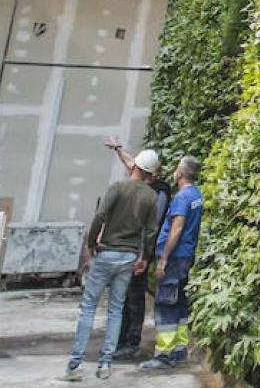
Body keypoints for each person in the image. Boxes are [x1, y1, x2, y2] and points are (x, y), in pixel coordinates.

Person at [62, 146, 161, 381]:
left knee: (89, 307)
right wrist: (144, 258)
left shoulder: (118, 187)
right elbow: (151, 231)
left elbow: (100, 215)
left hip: (107, 253)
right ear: (151, 173)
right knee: (116, 309)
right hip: (128, 258)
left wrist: (91, 242)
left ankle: (75, 364)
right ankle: (105, 363)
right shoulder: (151, 196)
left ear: (135, 165)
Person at [105, 140, 173, 362]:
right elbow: (130, 162)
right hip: (129, 249)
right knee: (123, 296)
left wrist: (144, 256)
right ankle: (121, 339)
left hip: (141, 254)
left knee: (134, 296)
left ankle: (131, 342)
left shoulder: (159, 192)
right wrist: (118, 149)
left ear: (148, 174)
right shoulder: (142, 180)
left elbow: (152, 227)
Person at [143, 156, 203, 371]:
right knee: (178, 303)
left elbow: (176, 228)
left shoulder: (181, 198)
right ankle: (179, 350)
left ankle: (164, 355)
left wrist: (164, 259)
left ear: (181, 172)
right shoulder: (196, 195)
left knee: (166, 304)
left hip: (175, 257)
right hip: (186, 256)